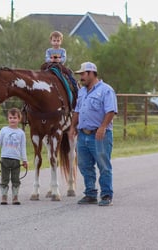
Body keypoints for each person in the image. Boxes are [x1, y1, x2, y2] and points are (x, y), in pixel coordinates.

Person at [69, 62, 118, 206]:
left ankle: (106, 195)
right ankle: (90, 194)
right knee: (84, 165)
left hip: (100, 135)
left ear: (91, 73)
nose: (81, 77)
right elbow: (77, 110)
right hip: (83, 134)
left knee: (103, 165)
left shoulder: (106, 90)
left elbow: (111, 110)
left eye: (83, 74)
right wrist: (72, 126)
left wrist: (103, 127)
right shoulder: (82, 91)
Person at [0, 108, 28, 205]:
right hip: (5, 158)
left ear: (19, 119)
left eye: (15, 118)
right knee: (4, 178)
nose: (12, 120)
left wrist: (25, 160)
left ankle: (15, 197)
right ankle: (4, 196)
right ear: (8, 119)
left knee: (15, 179)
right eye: (10, 118)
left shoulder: (21, 133)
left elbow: (23, 148)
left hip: (16, 160)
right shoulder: (4, 130)